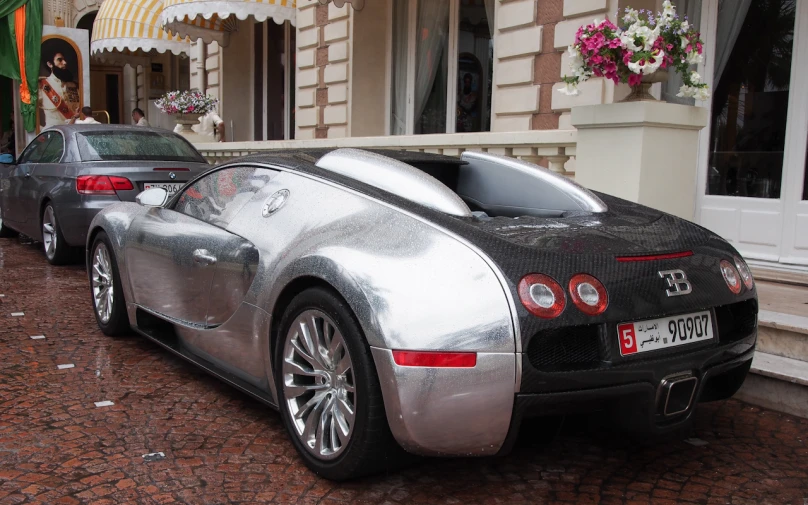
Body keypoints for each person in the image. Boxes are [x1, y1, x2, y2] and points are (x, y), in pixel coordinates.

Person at [38, 50, 80, 129]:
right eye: (59, 60)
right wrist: (41, 131)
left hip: (72, 131)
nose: (64, 63)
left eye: (64, 60)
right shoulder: (42, 85)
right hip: (53, 133)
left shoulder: (74, 85)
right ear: (50, 64)